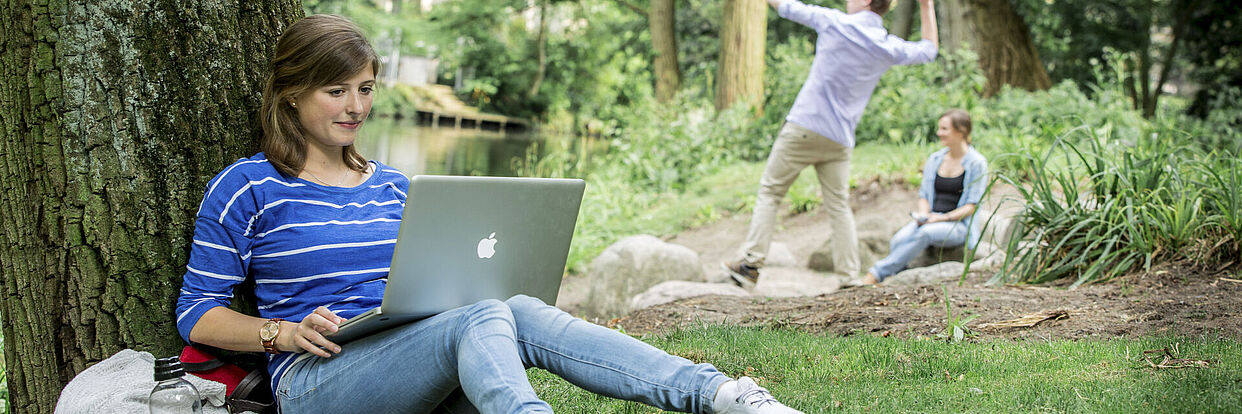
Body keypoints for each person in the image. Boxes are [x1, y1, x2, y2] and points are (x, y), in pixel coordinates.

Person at [175, 14, 804, 413]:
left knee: (515, 308)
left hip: (410, 351)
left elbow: (433, 287)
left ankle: (722, 394)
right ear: (291, 94)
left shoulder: (394, 186)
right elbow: (196, 313)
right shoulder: (248, 186)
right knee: (483, 315)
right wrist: (277, 333)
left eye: (365, 89)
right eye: (335, 91)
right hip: (316, 379)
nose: (355, 107)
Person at [723, 0, 939, 287]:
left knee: (771, 193)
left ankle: (750, 264)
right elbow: (929, 50)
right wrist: (926, 5)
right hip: (839, 139)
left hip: (804, 127)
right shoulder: (885, 45)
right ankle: (849, 278)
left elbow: (786, 6)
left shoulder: (834, 22)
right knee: (839, 206)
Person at [861, 109, 988, 284]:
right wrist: (924, 215)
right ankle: (899, 276)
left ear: (961, 132)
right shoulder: (935, 159)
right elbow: (924, 196)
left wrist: (941, 219)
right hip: (931, 218)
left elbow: (971, 206)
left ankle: (876, 274)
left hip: (958, 225)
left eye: (944, 129)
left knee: (925, 234)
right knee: (899, 238)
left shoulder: (976, 163)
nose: (939, 133)